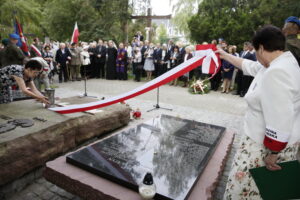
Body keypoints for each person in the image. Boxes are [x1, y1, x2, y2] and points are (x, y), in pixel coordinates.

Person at [216, 25, 300, 200]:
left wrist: (274, 153)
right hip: (277, 143)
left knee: (246, 190)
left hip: (265, 147)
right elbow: (249, 66)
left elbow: (281, 116)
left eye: (255, 50)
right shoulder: (281, 63)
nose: (255, 55)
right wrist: (225, 55)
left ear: (261, 48)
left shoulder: (277, 72)